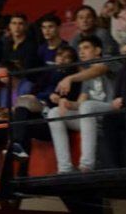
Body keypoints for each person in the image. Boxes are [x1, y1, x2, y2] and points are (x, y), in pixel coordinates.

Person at [9, 46, 80, 176]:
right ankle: (21, 168)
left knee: (22, 123)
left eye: (67, 57)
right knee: (22, 113)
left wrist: (58, 99)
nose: (62, 59)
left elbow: (73, 100)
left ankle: (17, 146)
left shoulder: (73, 79)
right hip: (41, 114)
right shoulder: (47, 73)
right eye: (60, 56)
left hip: (57, 121)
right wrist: (47, 96)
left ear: (72, 61)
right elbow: (35, 92)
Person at [47, 36, 114, 173]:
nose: (81, 52)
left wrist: (70, 78)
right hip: (90, 115)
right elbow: (80, 103)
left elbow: (98, 70)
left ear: (98, 50)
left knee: (87, 107)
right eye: (79, 49)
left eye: (86, 48)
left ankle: (87, 165)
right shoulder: (85, 74)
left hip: (112, 108)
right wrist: (66, 103)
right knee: (54, 113)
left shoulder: (108, 61)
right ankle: (65, 168)